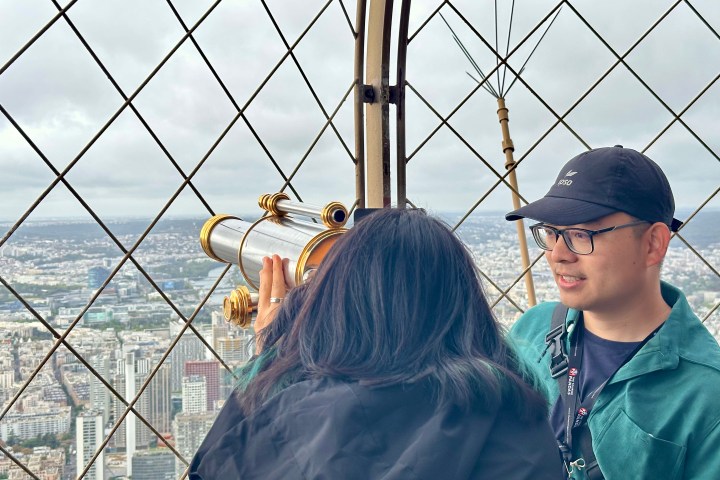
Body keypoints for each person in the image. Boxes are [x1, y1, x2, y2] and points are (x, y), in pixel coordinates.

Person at [190, 208, 561, 479]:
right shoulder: (515, 415)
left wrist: (272, 358)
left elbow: (218, 467)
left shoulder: (300, 415)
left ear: (335, 301)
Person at [505, 145, 720, 480]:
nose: (558, 254)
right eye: (551, 232)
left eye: (581, 234)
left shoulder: (706, 394)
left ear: (653, 244)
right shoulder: (531, 329)